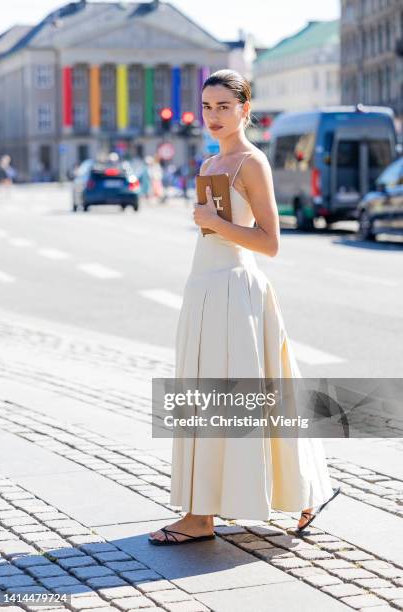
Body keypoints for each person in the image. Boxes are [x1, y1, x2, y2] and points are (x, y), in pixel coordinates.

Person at [148, 69, 340, 545]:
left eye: (224, 107)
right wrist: (211, 223)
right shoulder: (208, 164)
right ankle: (284, 493)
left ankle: (201, 516)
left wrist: (214, 220)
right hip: (204, 288)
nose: (213, 116)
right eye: (207, 106)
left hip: (237, 291)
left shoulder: (251, 163)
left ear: (245, 111)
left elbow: (270, 243)